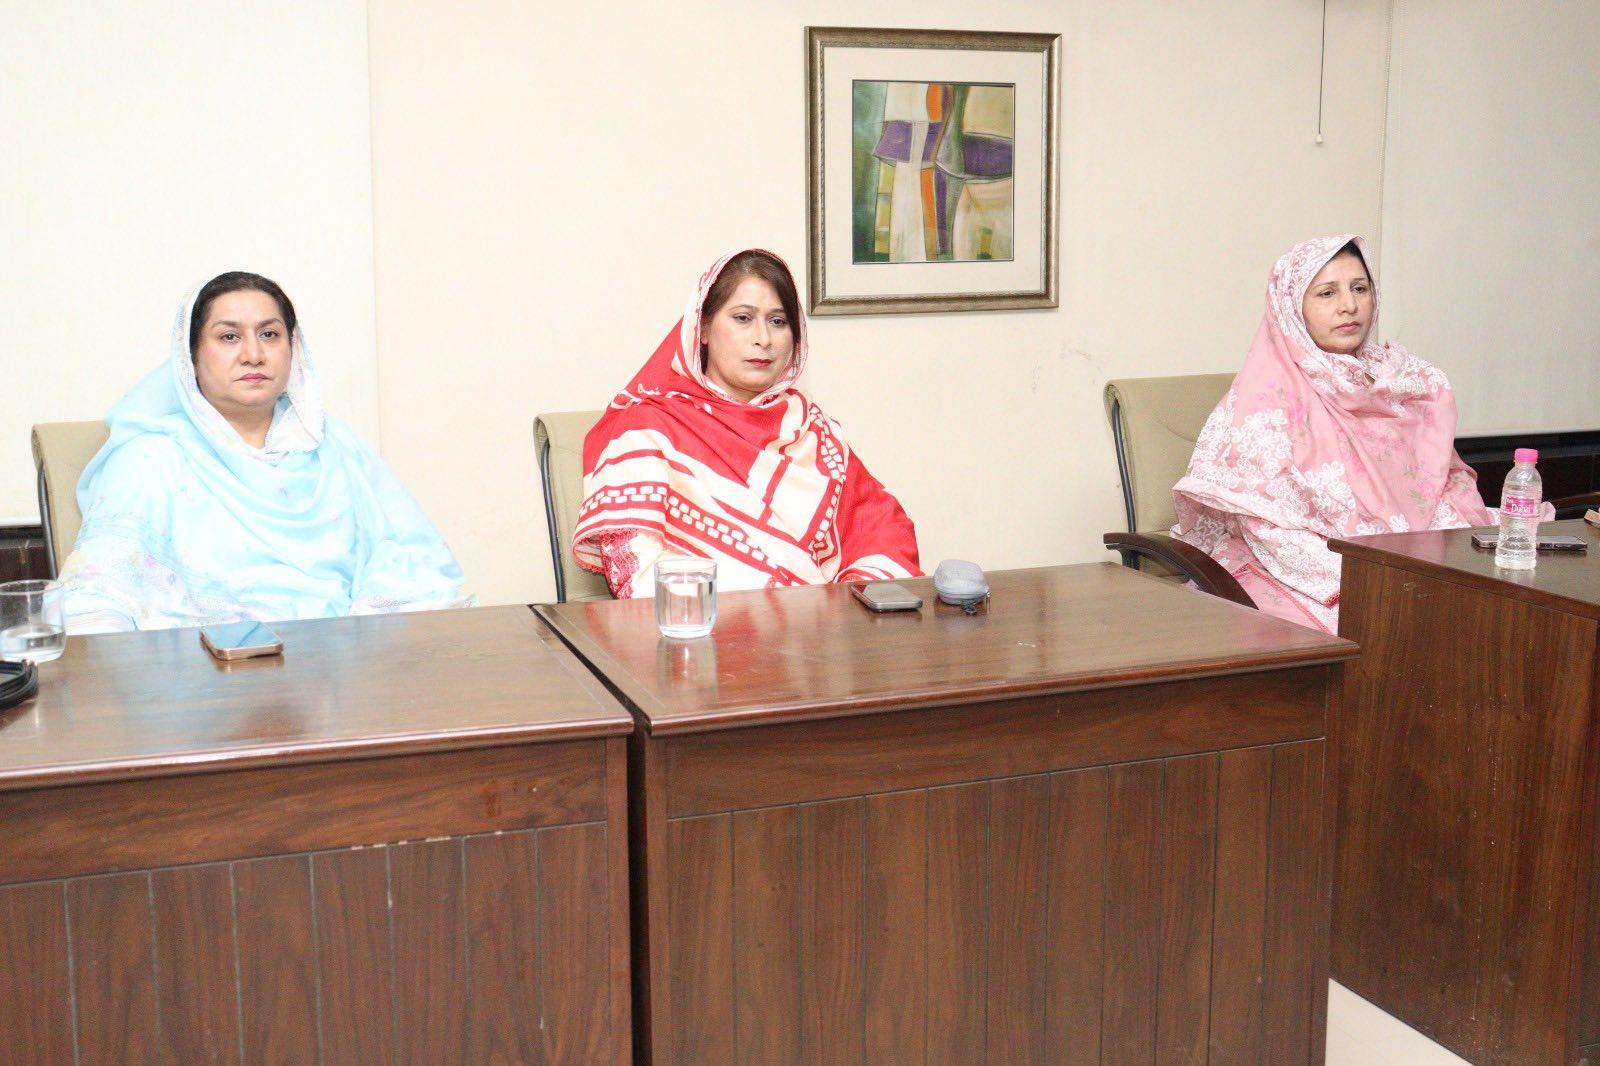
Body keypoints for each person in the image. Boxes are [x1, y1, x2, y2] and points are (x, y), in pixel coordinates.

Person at [58, 271, 469, 632]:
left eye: (269, 335)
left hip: (341, 666)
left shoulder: (333, 445)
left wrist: (360, 637)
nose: (253, 355)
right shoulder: (151, 458)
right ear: (190, 354)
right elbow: (98, 593)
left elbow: (410, 560)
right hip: (209, 672)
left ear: (293, 347)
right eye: (229, 337)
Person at [1171, 234, 1491, 634]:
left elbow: (1445, 489)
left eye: (1359, 288)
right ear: (1292, 308)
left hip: (1411, 564)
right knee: (1386, 630)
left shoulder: (1404, 382)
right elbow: (1269, 530)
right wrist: (1378, 577)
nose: (1348, 305)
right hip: (1313, 573)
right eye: (1327, 293)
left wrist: (1431, 571)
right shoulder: (1264, 400)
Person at [574, 248, 920, 597]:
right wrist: (779, 601)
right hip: (705, 625)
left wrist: (845, 608)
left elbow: (881, 529)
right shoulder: (647, 429)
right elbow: (639, 573)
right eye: (743, 318)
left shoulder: (812, 430)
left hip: (824, 624)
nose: (763, 339)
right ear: (702, 328)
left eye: (778, 321)